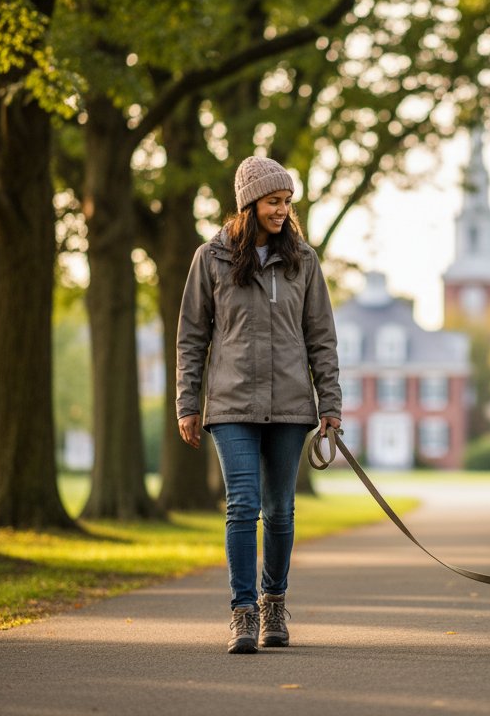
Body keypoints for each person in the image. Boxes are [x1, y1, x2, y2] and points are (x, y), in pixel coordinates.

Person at [176, 155, 341, 655]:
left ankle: (274, 601)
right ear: (249, 204)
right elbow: (191, 337)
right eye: (274, 201)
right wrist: (187, 402)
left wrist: (330, 404)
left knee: (281, 511)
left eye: (287, 202)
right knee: (242, 507)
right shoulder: (211, 259)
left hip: (291, 406)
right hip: (230, 407)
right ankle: (243, 612)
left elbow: (322, 338)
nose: (282, 210)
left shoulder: (304, 261)